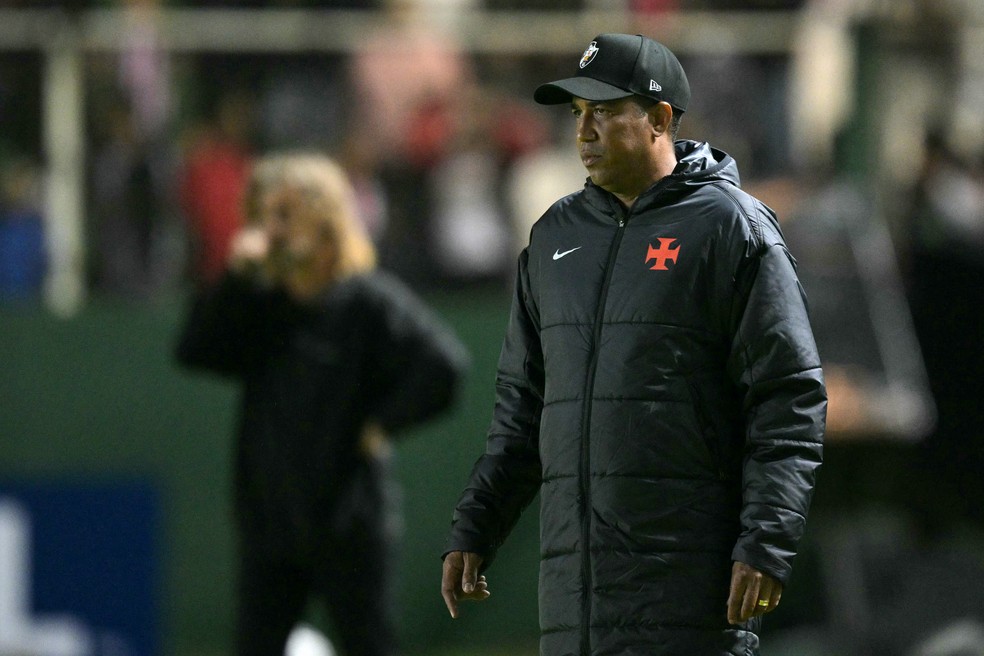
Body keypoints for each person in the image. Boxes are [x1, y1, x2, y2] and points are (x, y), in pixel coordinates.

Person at [440, 33, 826, 655]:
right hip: (574, 601)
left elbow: (787, 402)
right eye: (577, 113)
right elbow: (522, 411)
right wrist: (476, 525)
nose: (583, 130)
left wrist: (766, 543)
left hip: (690, 594)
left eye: (603, 110)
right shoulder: (553, 236)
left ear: (660, 119)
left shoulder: (731, 228)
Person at [175, 152, 469, 656]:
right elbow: (194, 350)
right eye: (265, 216)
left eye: (286, 215)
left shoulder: (367, 303)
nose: (271, 230)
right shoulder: (261, 305)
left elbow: (444, 368)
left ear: (325, 218)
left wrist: (381, 424)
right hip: (270, 521)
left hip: (348, 520)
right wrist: (236, 276)